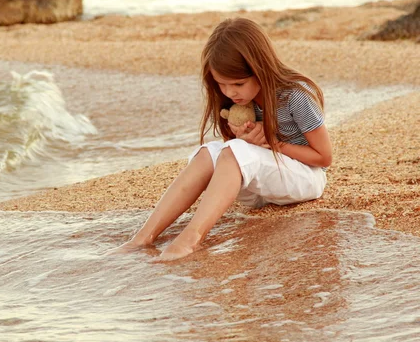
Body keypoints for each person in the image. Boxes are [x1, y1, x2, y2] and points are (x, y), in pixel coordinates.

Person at [115, 17, 332, 261]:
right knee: (209, 152)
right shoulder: (236, 99)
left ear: (260, 69)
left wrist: (274, 144)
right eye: (222, 84)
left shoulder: (295, 95)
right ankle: (143, 237)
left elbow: (323, 158)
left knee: (233, 152)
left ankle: (190, 240)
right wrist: (244, 137)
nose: (230, 92)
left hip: (305, 179)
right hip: (261, 187)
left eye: (238, 83)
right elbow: (235, 152)